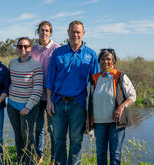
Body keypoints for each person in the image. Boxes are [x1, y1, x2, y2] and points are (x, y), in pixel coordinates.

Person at [46, 20, 99, 165]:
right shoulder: (58, 53)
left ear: (83, 33)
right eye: (72, 31)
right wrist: (49, 101)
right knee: (58, 140)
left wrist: (92, 111)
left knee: (76, 141)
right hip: (58, 104)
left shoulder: (91, 55)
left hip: (79, 104)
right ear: (68, 32)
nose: (75, 34)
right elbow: (50, 79)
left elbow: (95, 83)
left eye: (78, 32)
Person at [87, 48, 136, 165]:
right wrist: (88, 123)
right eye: (103, 59)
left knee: (115, 154)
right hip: (99, 125)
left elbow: (132, 96)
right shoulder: (93, 78)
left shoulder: (120, 76)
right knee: (100, 154)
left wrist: (121, 107)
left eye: (108, 59)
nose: (105, 62)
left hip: (116, 124)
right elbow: (87, 101)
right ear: (99, 61)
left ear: (113, 61)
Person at [7, 37, 43, 165]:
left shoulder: (36, 65)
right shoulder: (12, 63)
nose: (23, 49)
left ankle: (30, 162)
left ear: (30, 48)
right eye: (20, 46)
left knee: (27, 136)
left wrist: (28, 107)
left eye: (26, 46)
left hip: (29, 106)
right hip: (12, 105)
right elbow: (9, 82)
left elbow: (38, 89)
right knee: (18, 136)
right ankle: (20, 160)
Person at [30, 21, 59, 165]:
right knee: (39, 127)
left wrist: (52, 98)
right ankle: (39, 155)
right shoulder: (33, 49)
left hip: (52, 96)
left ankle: (54, 157)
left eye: (47, 31)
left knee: (53, 128)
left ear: (51, 32)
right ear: (38, 32)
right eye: (42, 30)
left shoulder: (56, 48)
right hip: (35, 95)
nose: (44, 33)